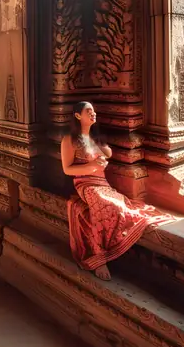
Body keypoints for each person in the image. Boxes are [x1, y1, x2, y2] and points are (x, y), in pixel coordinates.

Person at [61, 101, 175, 281]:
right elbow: (67, 169)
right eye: (88, 111)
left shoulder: (95, 139)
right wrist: (90, 165)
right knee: (104, 203)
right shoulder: (69, 140)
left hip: (103, 183)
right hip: (85, 184)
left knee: (122, 206)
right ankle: (99, 257)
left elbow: (108, 154)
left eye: (94, 110)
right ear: (77, 115)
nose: (93, 114)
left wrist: (97, 148)